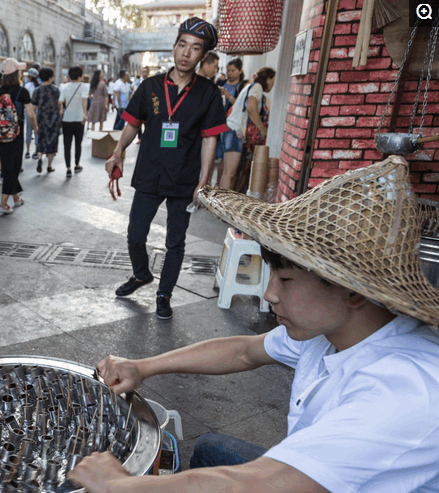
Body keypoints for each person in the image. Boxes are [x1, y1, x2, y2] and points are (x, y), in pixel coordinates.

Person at [70, 156, 439, 493]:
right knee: (211, 449)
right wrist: (142, 367)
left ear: (353, 291)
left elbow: (256, 484)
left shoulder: (403, 389)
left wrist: (117, 485)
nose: (269, 294)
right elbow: (244, 351)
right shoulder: (333, 332)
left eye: (286, 280)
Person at [108, 17, 226, 321]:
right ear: (174, 47)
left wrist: (204, 181)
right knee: (135, 234)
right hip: (150, 171)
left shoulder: (209, 94)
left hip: (184, 178)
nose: (186, 53)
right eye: (182, 45)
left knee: (176, 241)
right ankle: (141, 274)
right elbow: (133, 122)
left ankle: (164, 294)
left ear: (203, 56)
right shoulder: (149, 86)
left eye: (195, 48)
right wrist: (118, 151)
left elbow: (210, 140)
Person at [0, 58, 36, 214]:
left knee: (7, 164)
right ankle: (3, 203)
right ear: (16, 73)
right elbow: (30, 114)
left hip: (1, 134)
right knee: (12, 168)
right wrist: (35, 127)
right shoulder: (22, 92)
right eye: (20, 71)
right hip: (16, 134)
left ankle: (16, 197)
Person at [218, 67, 275, 190]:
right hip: (234, 131)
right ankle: (223, 205)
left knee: (227, 173)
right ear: (268, 78)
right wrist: (262, 129)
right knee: (230, 174)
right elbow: (251, 107)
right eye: (273, 80)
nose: (272, 85)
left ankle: (219, 203)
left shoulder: (252, 86)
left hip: (230, 130)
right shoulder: (257, 87)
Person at [30, 67, 61, 174]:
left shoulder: (37, 90)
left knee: (41, 139)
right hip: (53, 119)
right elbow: (59, 106)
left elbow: (33, 108)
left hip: (41, 119)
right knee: (52, 142)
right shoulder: (56, 90)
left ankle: (39, 158)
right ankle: (49, 165)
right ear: (51, 78)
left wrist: (33, 123)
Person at [59, 65, 87, 178]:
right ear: (80, 76)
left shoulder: (65, 87)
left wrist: (62, 109)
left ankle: (68, 168)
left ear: (69, 76)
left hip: (67, 119)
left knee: (67, 144)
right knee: (78, 144)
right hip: (79, 119)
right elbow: (84, 100)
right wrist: (85, 114)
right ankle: (77, 165)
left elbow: (60, 101)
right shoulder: (83, 86)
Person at [23, 67, 39, 160]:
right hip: (37, 110)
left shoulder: (27, 86)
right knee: (36, 130)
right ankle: (36, 151)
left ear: (29, 77)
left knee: (28, 131)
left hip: (28, 110)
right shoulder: (39, 86)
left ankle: (27, 151)